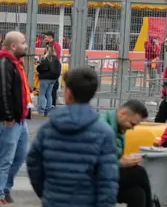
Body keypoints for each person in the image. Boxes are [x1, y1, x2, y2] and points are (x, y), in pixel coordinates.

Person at [26, 66, 119, 207]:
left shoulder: (47, 128)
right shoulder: (104, 132)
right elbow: (108, 179)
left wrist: (45, 192)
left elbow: (34, 163)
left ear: (68, 93)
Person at [100, 100, 153, 207]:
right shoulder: (102, 128)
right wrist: (120, 163)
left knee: (137, 192)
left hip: (110, 176)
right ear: (123, 114)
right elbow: (94, 160)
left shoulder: (120, 130)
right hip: (96, 177)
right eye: (132, 124)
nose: (132, 128)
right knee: (139, 172)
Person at [0, 31, 30, 202]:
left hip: (20, 119)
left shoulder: (15, 63)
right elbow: (3, 92)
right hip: (10, 121)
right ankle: (1, 192)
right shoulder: (5, 63)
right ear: (13, 46)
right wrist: (9, 116)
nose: (26, 45)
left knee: (20, 155)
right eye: (23, 42)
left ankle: (5, 187)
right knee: (5, 158)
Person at [35, 45, 61, 116]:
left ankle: (41, 110)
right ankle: (48, 110)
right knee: (49, 94)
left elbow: (41, 68)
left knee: (42, 94)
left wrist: (38, 66)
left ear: (47, 50)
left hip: (45, 78)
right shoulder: (56, 59)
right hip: (53, 79)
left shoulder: (46, 58)